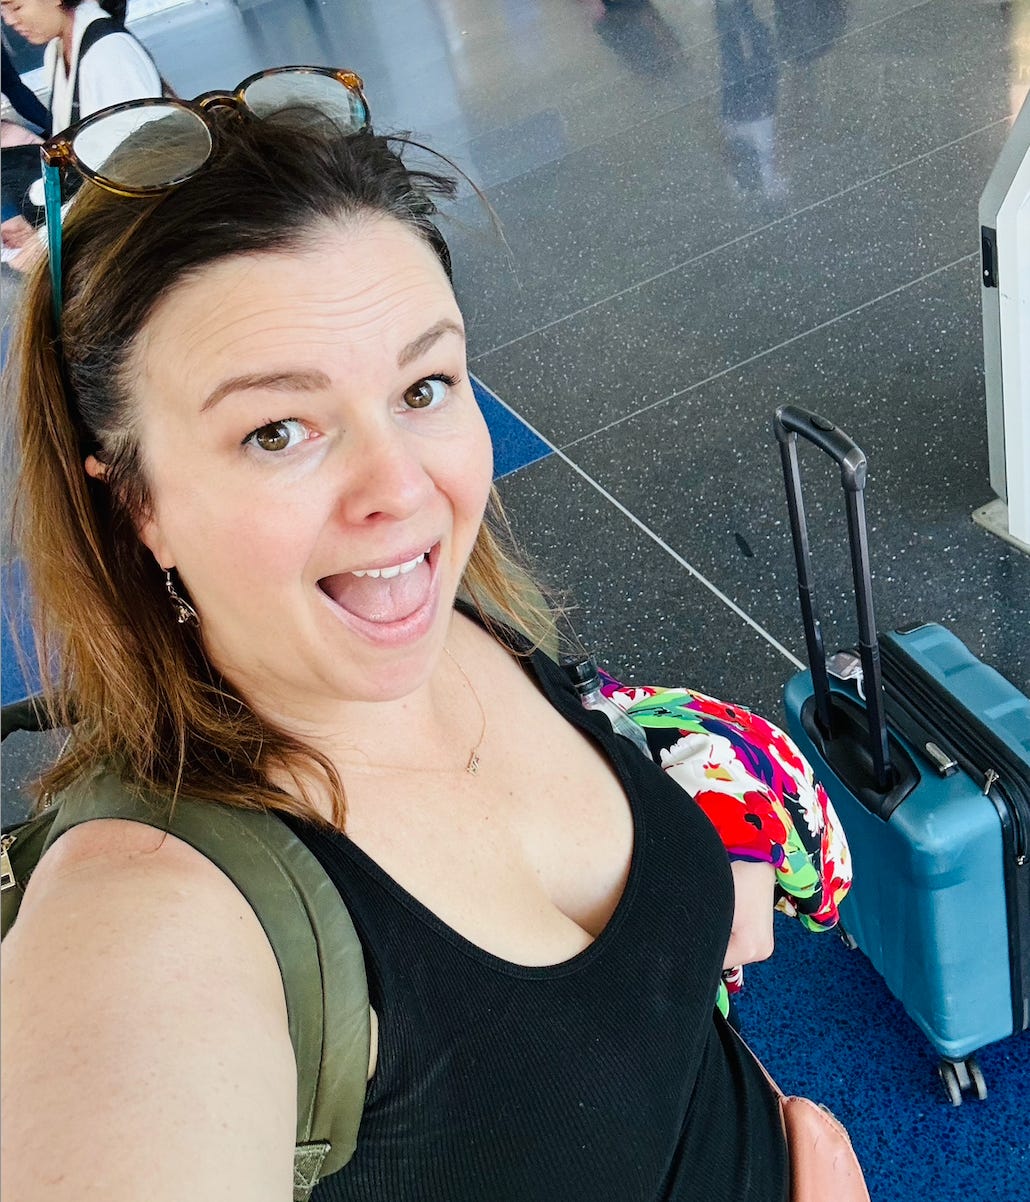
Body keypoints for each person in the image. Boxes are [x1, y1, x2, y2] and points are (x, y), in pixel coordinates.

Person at [1, 67, 852, 1201]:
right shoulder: (147, 924)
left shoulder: (448, 622)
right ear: (136, 503)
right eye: (277, 429)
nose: (400, 492)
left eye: (422, 386)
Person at [0, 0, 162, 262]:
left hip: (139, 237)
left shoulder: (108, 53)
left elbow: (130, 174)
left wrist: (47, 241)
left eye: (16, 7)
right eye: (2, 10)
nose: (8, 21)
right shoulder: (58, 49)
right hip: (99, 219)